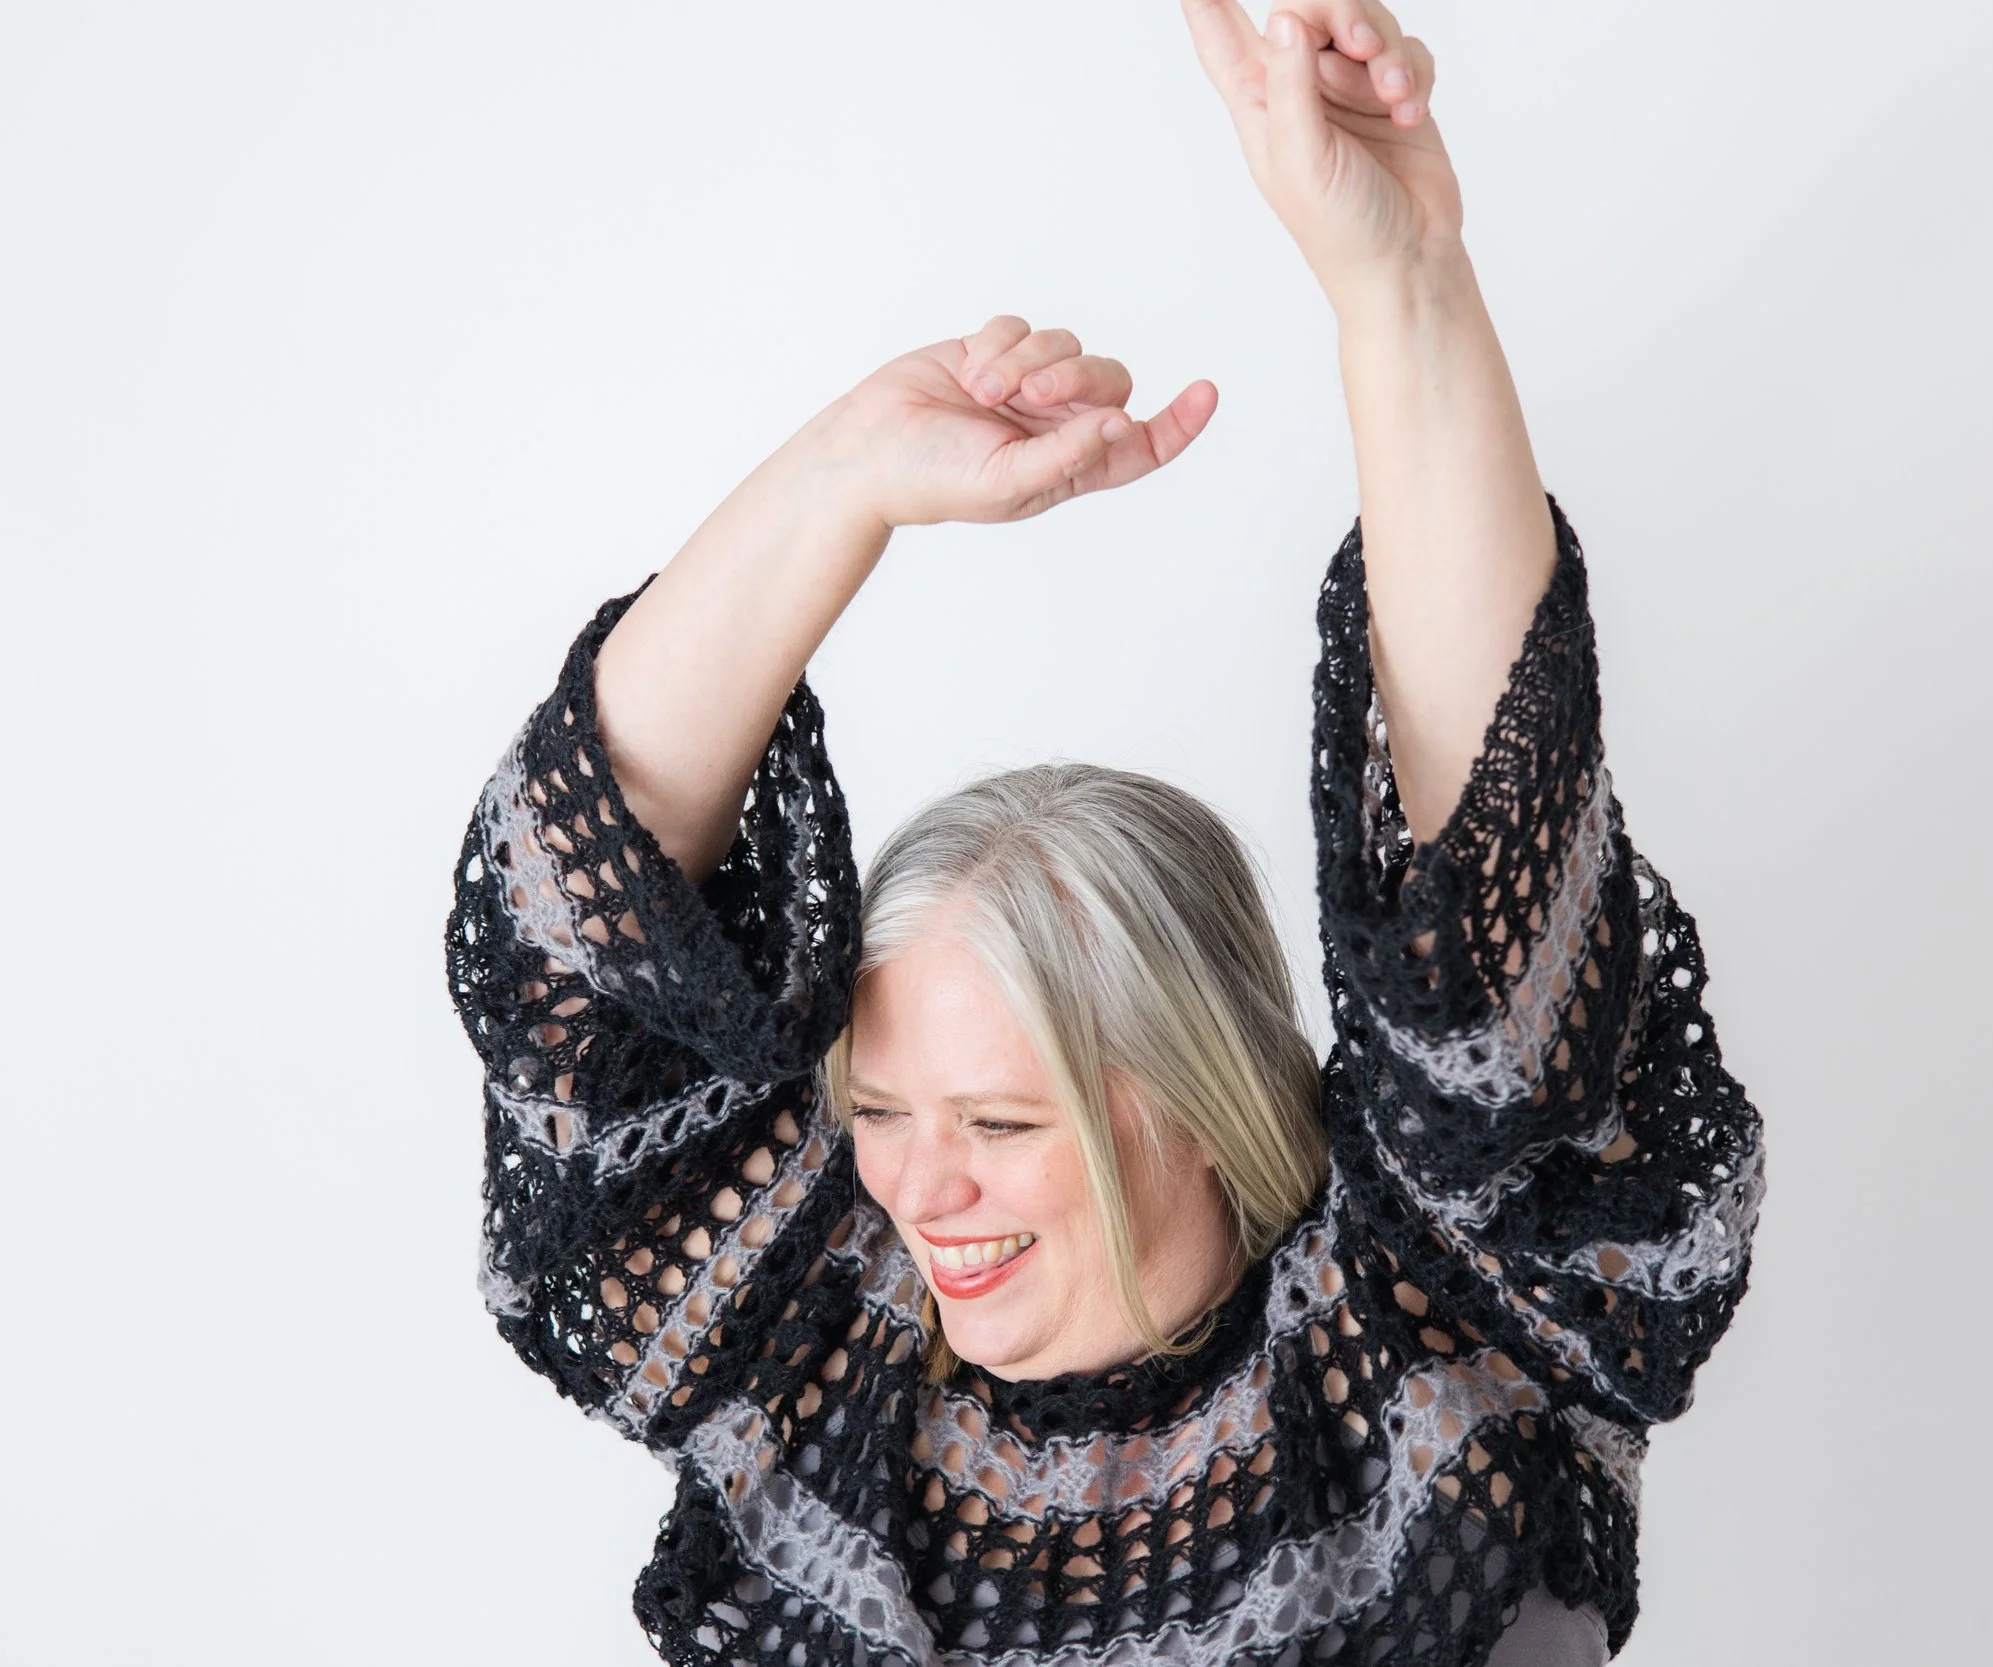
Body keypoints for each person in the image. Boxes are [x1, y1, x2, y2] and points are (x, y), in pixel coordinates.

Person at [443, 4, 1765, 1663]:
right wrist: (842, 478)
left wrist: (1403, 286)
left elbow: (1499, 929)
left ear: (1199, 1097)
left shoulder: (1435, 1350)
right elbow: (567, 940)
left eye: (1001, 1117)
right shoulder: (812, 1376)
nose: (922, 1185)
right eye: (879, 1108)